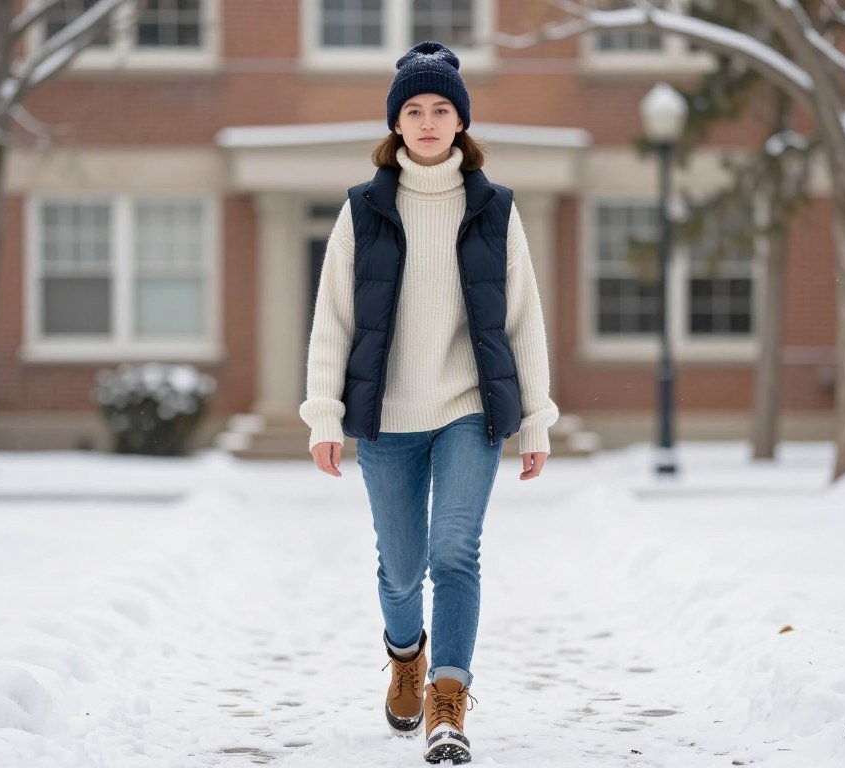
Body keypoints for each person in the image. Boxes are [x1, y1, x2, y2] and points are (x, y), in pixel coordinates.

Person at [299, 40, 559, 765]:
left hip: (469, 409)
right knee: (402, 567)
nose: (427, 121)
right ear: (396, 123)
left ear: (461, 121)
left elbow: (524, 319)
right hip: (386, 415)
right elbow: (333, 319)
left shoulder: (496, 210)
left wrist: (536, 419)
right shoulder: (363, 210)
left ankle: (449, 700)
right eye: (413, 109)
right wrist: (324, 413)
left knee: (455, 554)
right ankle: (405, 656)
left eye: (441, 108)